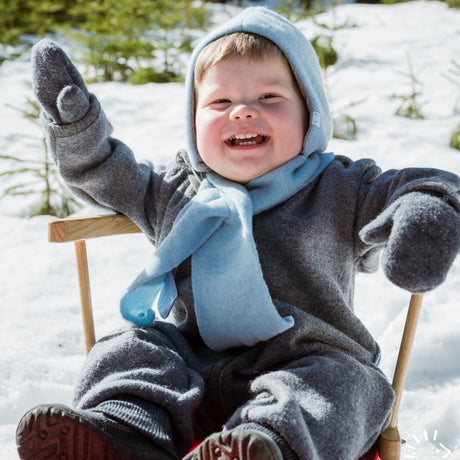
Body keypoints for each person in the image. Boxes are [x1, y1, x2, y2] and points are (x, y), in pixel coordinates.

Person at [16, 7, 459, 460]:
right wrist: (75, 128)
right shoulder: (178, 191)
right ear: (194, 123)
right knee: (132, 348)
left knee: (346, 383)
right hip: (190, 377)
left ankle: (266, 445)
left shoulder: (339, 187)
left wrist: (425, 218)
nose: (243, 112)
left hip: (305, 362)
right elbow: (105, 173)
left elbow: (426, 185)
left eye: (269, 97)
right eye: (221, 103)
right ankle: (125, 435)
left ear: (311, 115)